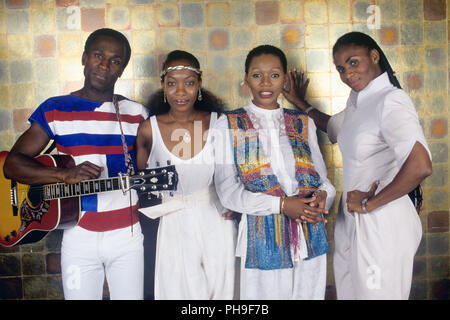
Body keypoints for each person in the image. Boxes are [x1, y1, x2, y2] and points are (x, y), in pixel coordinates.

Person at [3, 28, 148, 300]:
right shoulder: (55, 109)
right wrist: (64, 174)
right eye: (98, 55)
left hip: (127, 236)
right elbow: (12, 165)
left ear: (122, 69)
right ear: (84, 58)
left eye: (115, 61)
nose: (104, 65)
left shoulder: (137, 114)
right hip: (78, 235)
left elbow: (151, 168)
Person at [286, 31, 432, 299]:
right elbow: (333, 127)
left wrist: (370, 204)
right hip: (353, 219)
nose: (347, 74)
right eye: (341, 68)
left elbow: (420, 164)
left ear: (374, 56)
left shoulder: (391, 100)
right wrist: (300, 103)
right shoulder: (358, 101)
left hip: (381, 221)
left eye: (353, 62)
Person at [213, 45, 336, 300]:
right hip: (262, 237)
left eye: (275, 75)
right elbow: (228, 193)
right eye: (257, 75)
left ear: (285, 79)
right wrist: (280, 205)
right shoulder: (229, 123)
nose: (266, 82)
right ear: (246, 79)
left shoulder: (303, 122)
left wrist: (324, 196)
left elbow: (323, 181)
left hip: (310, 233)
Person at [135, 50, 236, 300]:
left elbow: (233, 173)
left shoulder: (218, 122)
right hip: (173, 222)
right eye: (172, 84)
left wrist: (235, 203)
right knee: (178, 292)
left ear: (199, 85)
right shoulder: (149, 129)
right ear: (163, 86)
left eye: (189, 83)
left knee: (222, 289)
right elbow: (141, 185)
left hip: (217, 218)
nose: (180, 92)